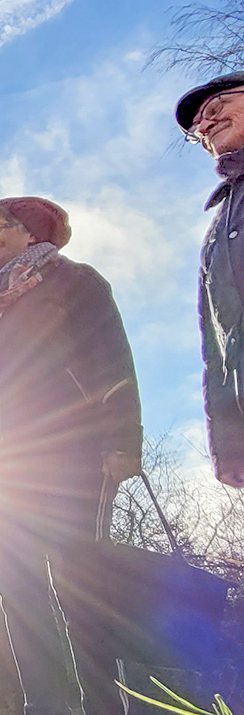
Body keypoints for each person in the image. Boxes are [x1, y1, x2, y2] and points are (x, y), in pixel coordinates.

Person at [0, 197, 142, 715]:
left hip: (71, 456)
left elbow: (113, 359)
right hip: (4, 468)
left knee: (82, 593)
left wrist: (123, 441)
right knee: (21, 594)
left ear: (34, 230)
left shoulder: (76, 282)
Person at [177, 73, 244, 488]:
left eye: (216, 109)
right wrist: (230, 444)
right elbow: (218, 346)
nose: (205, 126)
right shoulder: (217, 231)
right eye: (197, 127)